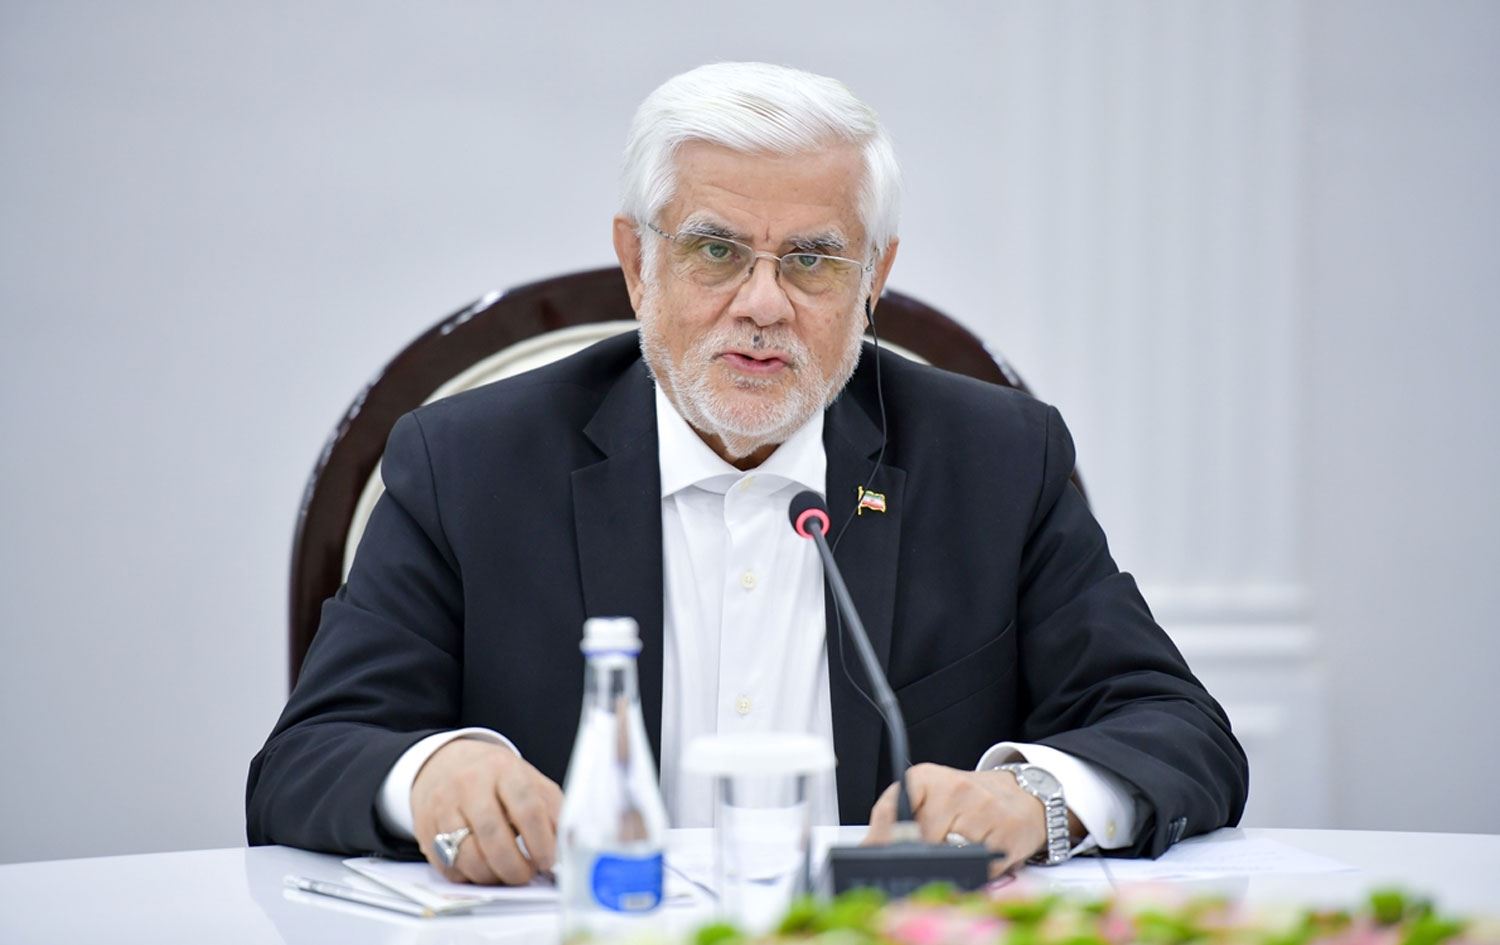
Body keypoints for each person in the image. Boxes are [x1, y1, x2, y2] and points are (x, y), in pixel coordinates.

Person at [247, 62, 1247, 886]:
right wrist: (431, 775)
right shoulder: (470, 466)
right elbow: (307, 758)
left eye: (811, 260)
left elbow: (1177, 730)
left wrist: (1031, 798)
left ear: (873, 280)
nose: (763, 304)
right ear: (637, 264)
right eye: (716, 251)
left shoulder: (994, 463)